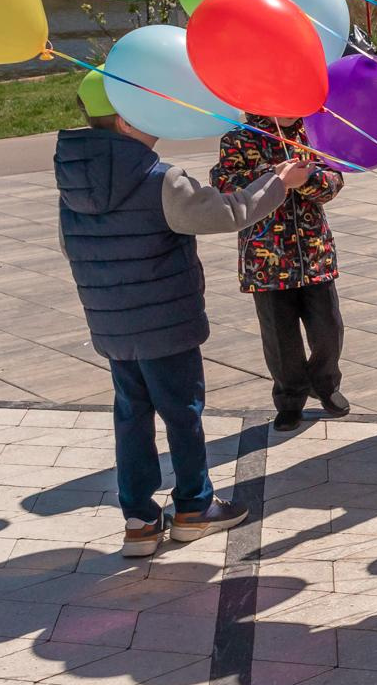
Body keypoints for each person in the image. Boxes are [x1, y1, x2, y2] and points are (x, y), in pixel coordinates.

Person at [57, 78, 306, 558]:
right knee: (181, 412)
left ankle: (139, 519)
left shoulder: (73, 178)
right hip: (166, 320)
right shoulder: (159, 178)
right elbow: (228, 212)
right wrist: (279, 181)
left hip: (111, 322)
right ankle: (194, 506)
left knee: (130, 413)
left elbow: (68, 245)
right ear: (128, 120)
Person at [211, 112, 351, 433]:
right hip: (267, 262)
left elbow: (335, 180)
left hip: (314, 253)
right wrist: (275, 178)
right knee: (279, 336)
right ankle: (290, 398)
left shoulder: (313, 134)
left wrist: (310, 181)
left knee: (328, 327)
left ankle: (325, 383)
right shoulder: (240, 138)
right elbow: (224, 183)